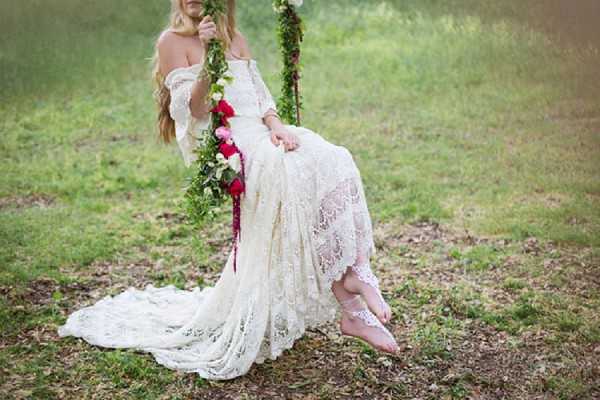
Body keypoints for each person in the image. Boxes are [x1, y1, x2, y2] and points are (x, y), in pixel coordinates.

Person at [57, 0, 400, 380]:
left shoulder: (236, 37)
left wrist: (277, 125)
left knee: (332, 157)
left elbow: (260, 96)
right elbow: (196, 109)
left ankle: (355, 276)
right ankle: (350, 299)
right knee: (290, 173)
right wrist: (212, 57)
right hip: (234, 145)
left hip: (264, 134)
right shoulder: (172, 41)